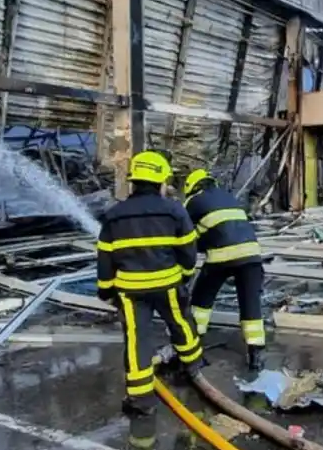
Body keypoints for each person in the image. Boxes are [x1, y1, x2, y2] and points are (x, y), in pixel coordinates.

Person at [96, 151, 202, 416]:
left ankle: (141, 399)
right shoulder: (174, 211)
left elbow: (105, 258)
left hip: (131, 291)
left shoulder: (113, 215)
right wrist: (185, 275)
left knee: (137, 339)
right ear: (160, 182)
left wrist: (106, 290)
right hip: (168, 284)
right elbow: (188, 250)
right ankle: (192, 368)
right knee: (180, 325)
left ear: (134, 181)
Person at [183, 169, 266, 371]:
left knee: (202, 298)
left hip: (221, 256)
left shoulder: (193, 202)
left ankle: (195, 341)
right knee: (250, 304)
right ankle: (256, 355)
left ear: (192, 187)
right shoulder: (229, 197)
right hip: (252, 256)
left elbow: (184, 235)